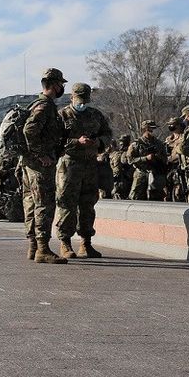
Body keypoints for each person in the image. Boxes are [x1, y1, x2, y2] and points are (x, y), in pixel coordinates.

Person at [54, 83, 112, 259]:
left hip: (90, 166)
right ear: (72, 98)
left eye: (85, 100)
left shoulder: (95, 115)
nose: (82, 104)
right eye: (79, 100)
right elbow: (55, 141)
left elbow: (108, 135)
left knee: (88, 205)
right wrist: (76, 142)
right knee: (67, 205)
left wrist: (98, 142)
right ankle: (65, 243)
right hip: (69, 167)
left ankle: (86, 243)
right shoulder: (62, 115)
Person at [21, 68, 69, 264]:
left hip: (30, 163)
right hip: (39, 165)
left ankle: (33, 247)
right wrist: (41, 155)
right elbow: (30, 130)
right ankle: (43, 249)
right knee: (44, 204)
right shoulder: (45, 105)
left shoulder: (36, 103)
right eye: (61, 84)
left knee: (31, 203)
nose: (62, 88)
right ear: (54, 84)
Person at [128, 121, 168, 201]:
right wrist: (145, 158)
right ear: (145, 129)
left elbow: (165, 159)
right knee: (137, 198)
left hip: (155, 174)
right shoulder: (136, 144)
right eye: (152, 128)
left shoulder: (159, 144)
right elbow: (130, 160)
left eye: (155, 128)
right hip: (141, 174)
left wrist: (159, 157)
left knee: (156, 198)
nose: (154, 130)